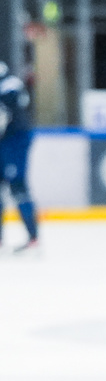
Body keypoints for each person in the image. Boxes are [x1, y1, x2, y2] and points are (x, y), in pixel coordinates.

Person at [0, 60, 40, 255]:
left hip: (15, 141)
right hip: (7, 140)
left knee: (18, 186)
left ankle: (33, 240)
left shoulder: (9, 86)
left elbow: (7, 117)